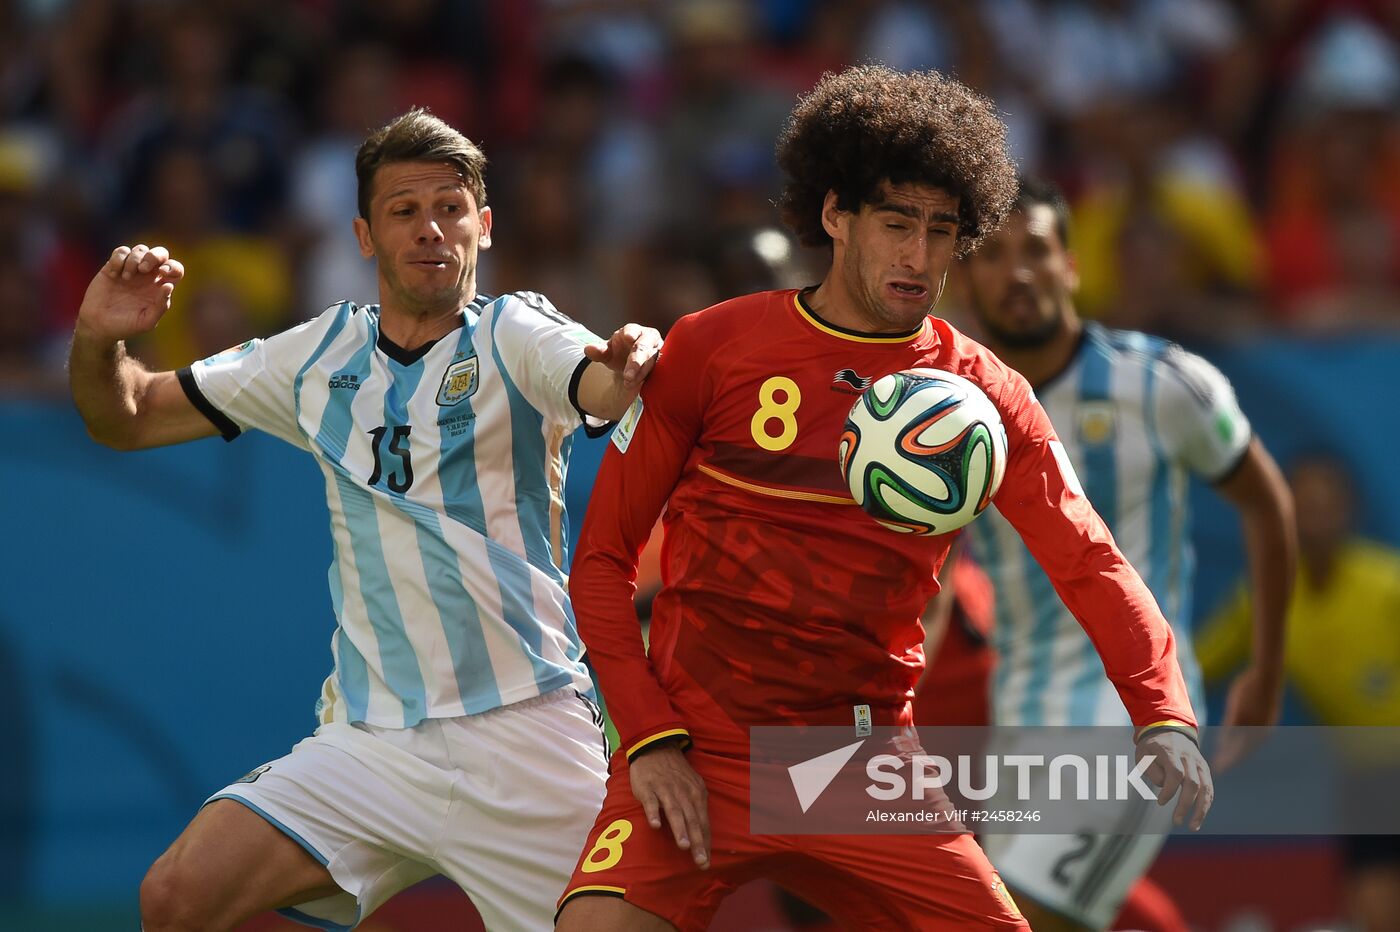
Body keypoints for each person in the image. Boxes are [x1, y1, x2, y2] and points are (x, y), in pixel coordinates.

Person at [555, 66, 1214, 932]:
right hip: (699, 745)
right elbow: (600, 562)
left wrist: (1162, 711)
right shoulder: (711, 348)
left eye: (943, 231)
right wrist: (646, 737)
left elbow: (1089, 559)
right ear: (835, 215)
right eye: (897, 223)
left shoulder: (986, 396)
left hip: (859, 761)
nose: (920, 256)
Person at [67, 108, 662, 932]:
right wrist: (99, 339)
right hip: (370, 739)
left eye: (451, 209)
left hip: (526, 732)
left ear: (482, 227)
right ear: (364, 235)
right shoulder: (314, 356)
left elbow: (597, 383)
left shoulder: (516, 330)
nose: (431, 230)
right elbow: (124, 417)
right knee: (174, 897)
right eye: (404, 211)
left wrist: (626, 363)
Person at [956, 177, 1295, 932]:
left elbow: (1268, 503)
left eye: (1037, 250)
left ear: (1071, 266)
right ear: (966, 275)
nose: (1017, 271)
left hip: (1132, 718)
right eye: (995, 254)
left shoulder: (1159, 383)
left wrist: (1265, 676)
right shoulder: (952, 407)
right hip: (1020, 714)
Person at [1198, 452, 1400, 932]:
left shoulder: (1388, 585)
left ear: (1348, 510)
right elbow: (1193, 671)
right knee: (1376, 910)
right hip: (1368, 784)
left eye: (1327, 504)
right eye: (1304, 504)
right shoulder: (1265, 597)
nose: (1317, 516)